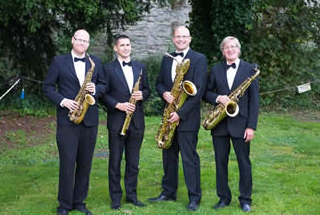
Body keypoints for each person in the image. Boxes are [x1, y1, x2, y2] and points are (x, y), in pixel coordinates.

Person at [43, 29, 107, 215]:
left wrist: (95, 89)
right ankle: (64, 205)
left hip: (89, 121)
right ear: (72, 40)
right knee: (68, 163)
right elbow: (47, 87)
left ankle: (80, 202)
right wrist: (63, 101)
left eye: (85, 41)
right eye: (79, 40)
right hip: (67, 120)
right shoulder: (59, 61)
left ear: (88, 43)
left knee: (85, 164)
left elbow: (104, 85)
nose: (82, 43)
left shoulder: (95, 62)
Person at [148, 26, 207, 211]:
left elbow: (199, 92)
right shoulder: (167, 59)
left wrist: (180, 114)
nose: (181, 39)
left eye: (184, 36)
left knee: (189, 158)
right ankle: (168, 192)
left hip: (187, 117)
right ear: (173, 39)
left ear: (189, 39)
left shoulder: (199, 59)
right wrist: (164, 93)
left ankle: (194, 197)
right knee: (168, 156)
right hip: (168, 115)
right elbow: (158, 83)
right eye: (177, 36)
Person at [203, 36, 259, 212]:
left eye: (233, 47)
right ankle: (223, 198)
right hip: (220, 124)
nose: (230, 49)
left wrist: (251, 126)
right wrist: (218, 98)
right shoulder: (216, 69)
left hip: (241, 124)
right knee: (220, 163)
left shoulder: (250, 69)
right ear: (222, 51)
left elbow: (255, 102)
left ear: (239, 49)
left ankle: (245, 199)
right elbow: (206, 93)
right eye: (226, 47)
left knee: (244, 162)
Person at [101, 34, 150, 210]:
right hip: (116, 121)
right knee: (114, 162)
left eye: (128, 44)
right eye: (122, 45)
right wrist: (118, 105)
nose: (126, 48)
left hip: (136, 122)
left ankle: (131, 196)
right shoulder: (107, 69)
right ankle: (115, 198)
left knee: (133, 162)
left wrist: (142, 94)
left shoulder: (140, 67)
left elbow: (147, 90)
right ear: (116, 48)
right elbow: (102, 94)